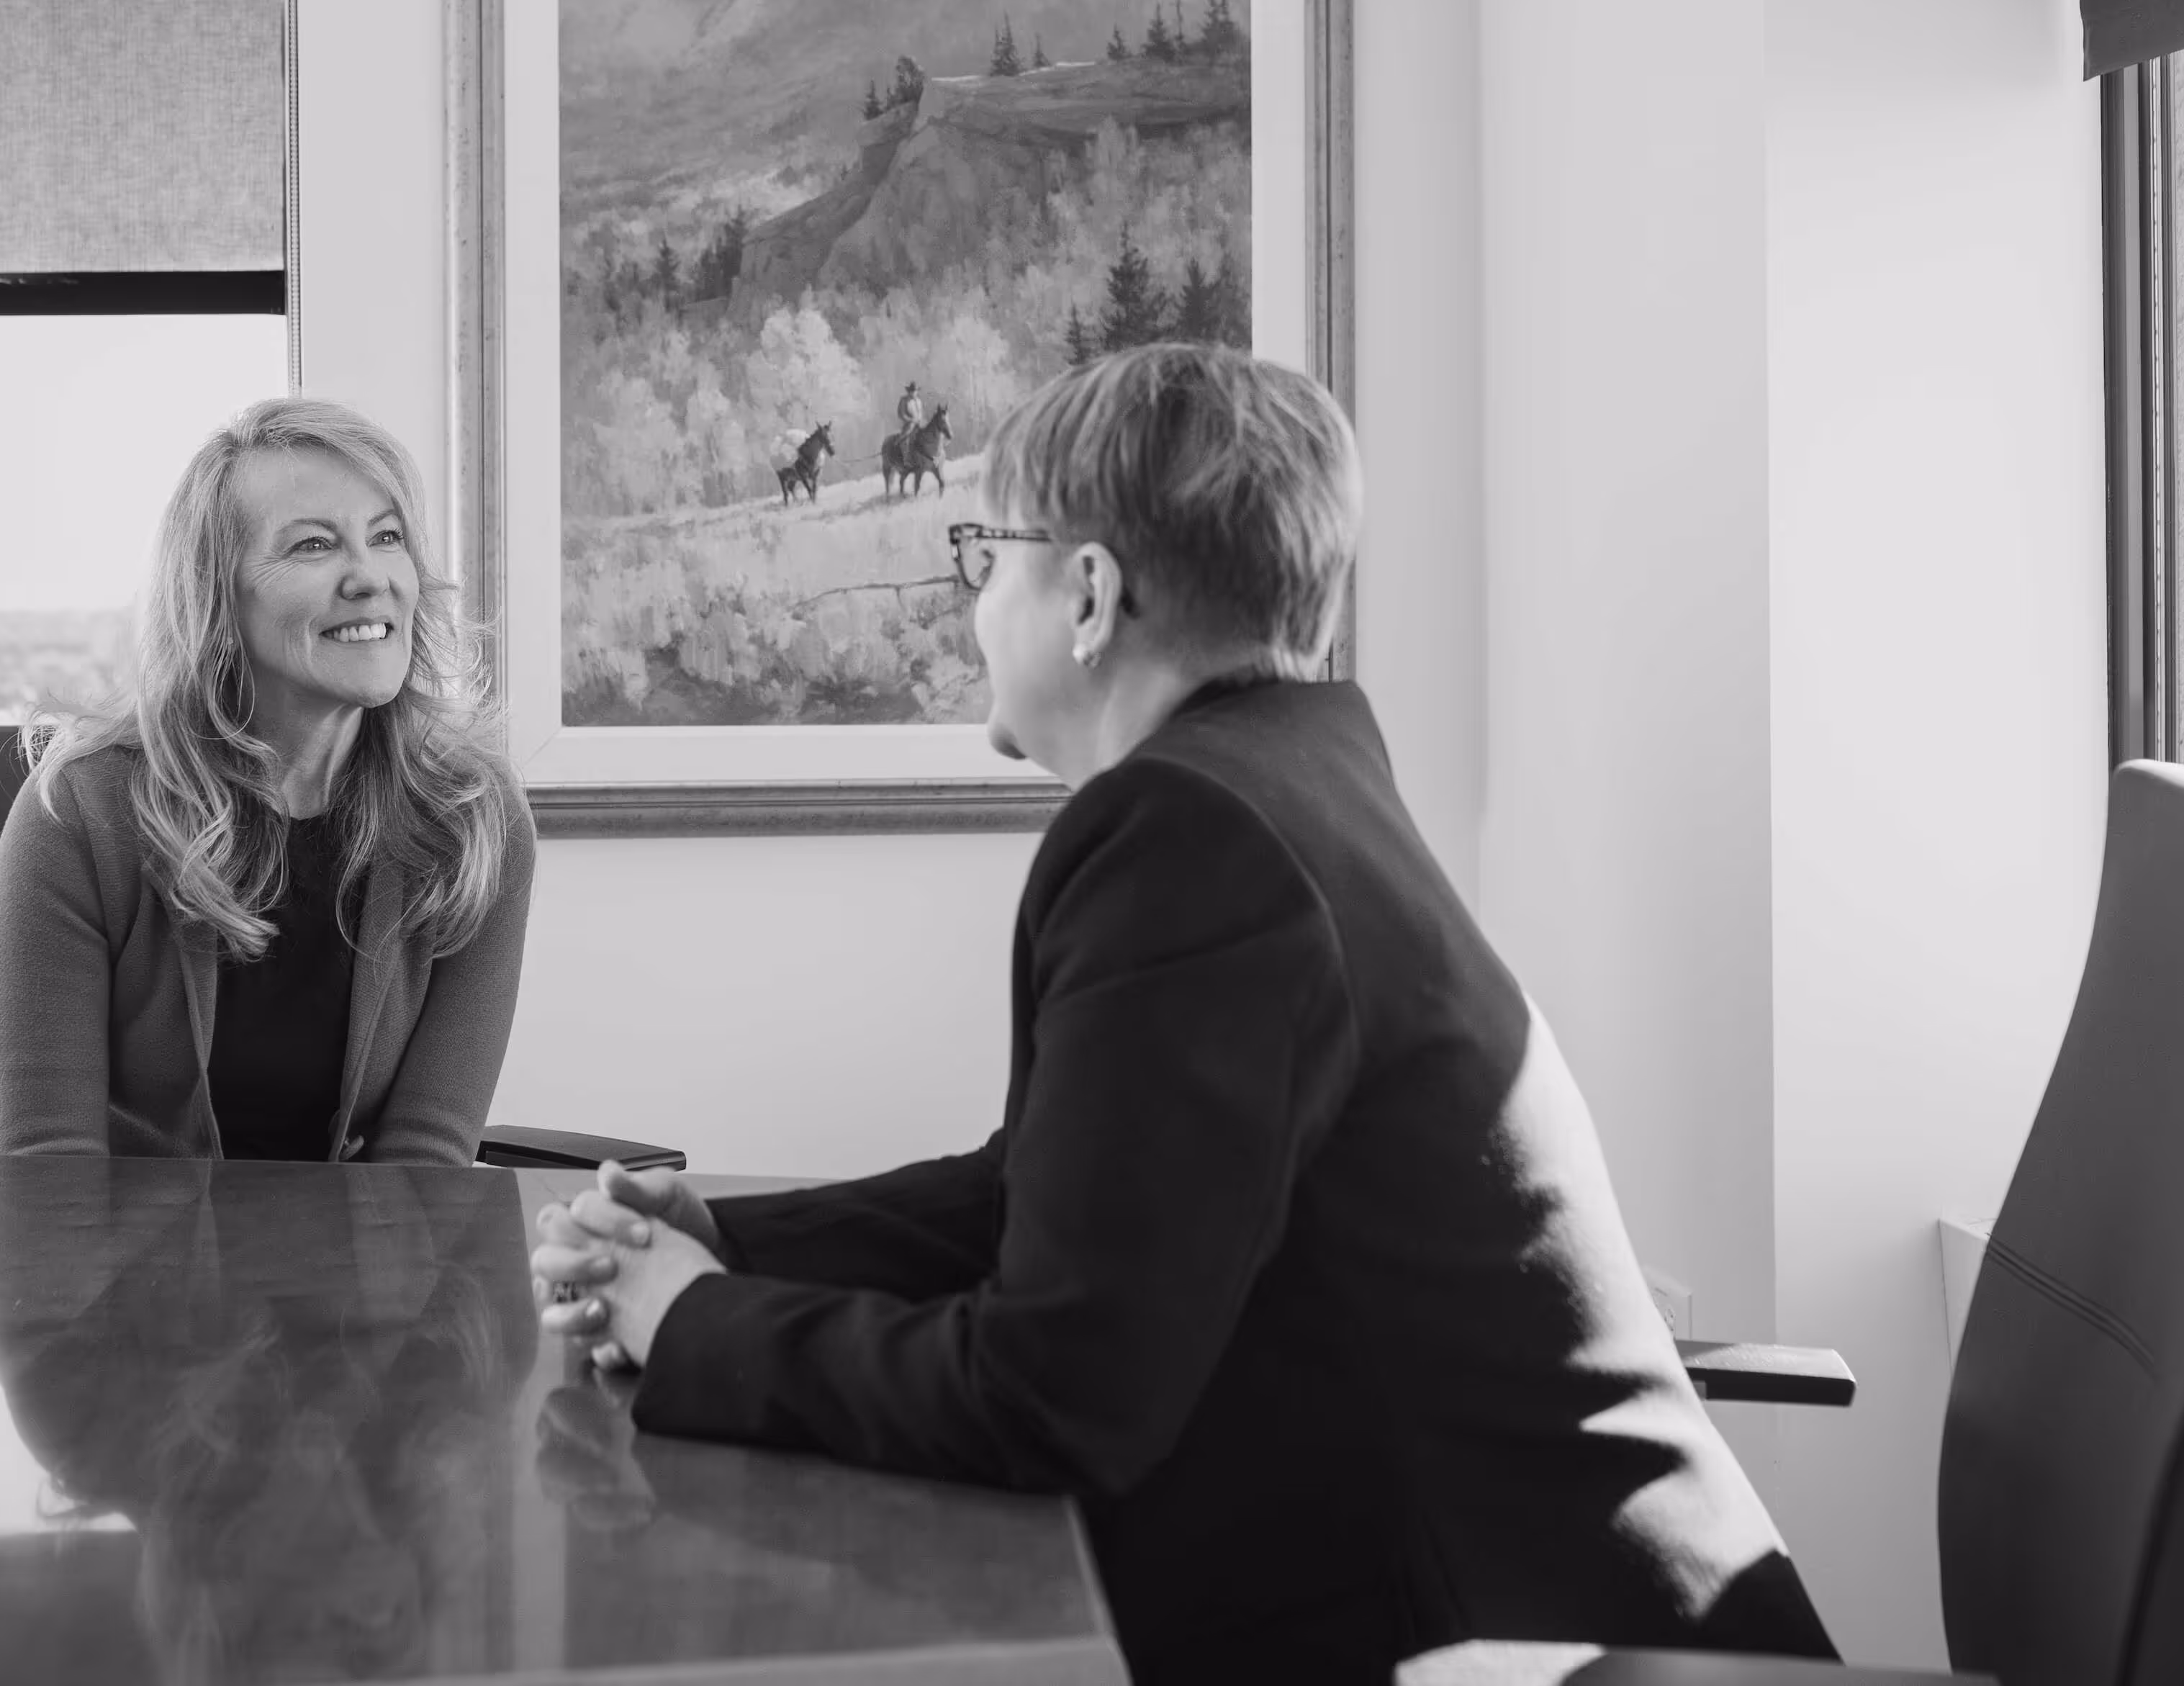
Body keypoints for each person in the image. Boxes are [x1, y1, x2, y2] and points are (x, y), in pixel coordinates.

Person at [529, 345, 1834, 1680]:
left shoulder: (1190, 833)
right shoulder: (1284, 778)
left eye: (988, 555)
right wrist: (735, 1241)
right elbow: (1051, 1190)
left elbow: (1050, 1394)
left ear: (1090, 593)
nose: (976, 603)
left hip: (1534, 1649)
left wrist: (689, 1323)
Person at [0, 396, 533, 1163]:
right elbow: (50, 1167)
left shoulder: (471, 812)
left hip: (374, 1237)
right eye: (314, 545)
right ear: (217, 594)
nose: (370, 577)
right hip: (123, 1239)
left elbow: (427, 1154)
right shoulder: (83, 809)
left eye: (387, 537)